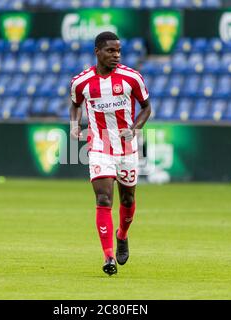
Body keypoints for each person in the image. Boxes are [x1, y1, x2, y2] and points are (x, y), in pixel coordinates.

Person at [69, 32, 152, 276]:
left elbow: (147, 107)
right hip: (99, 146)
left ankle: (122, 235)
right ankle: (108, 257)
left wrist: (135, 129)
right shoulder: (81, 82)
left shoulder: (131, 77)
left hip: (126, 148)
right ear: (97, 51)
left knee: (127, 199)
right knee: (104, 199)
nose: (116, 55)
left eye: (118, 51)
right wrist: (75, 125)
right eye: (111, 51)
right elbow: (74, 104)